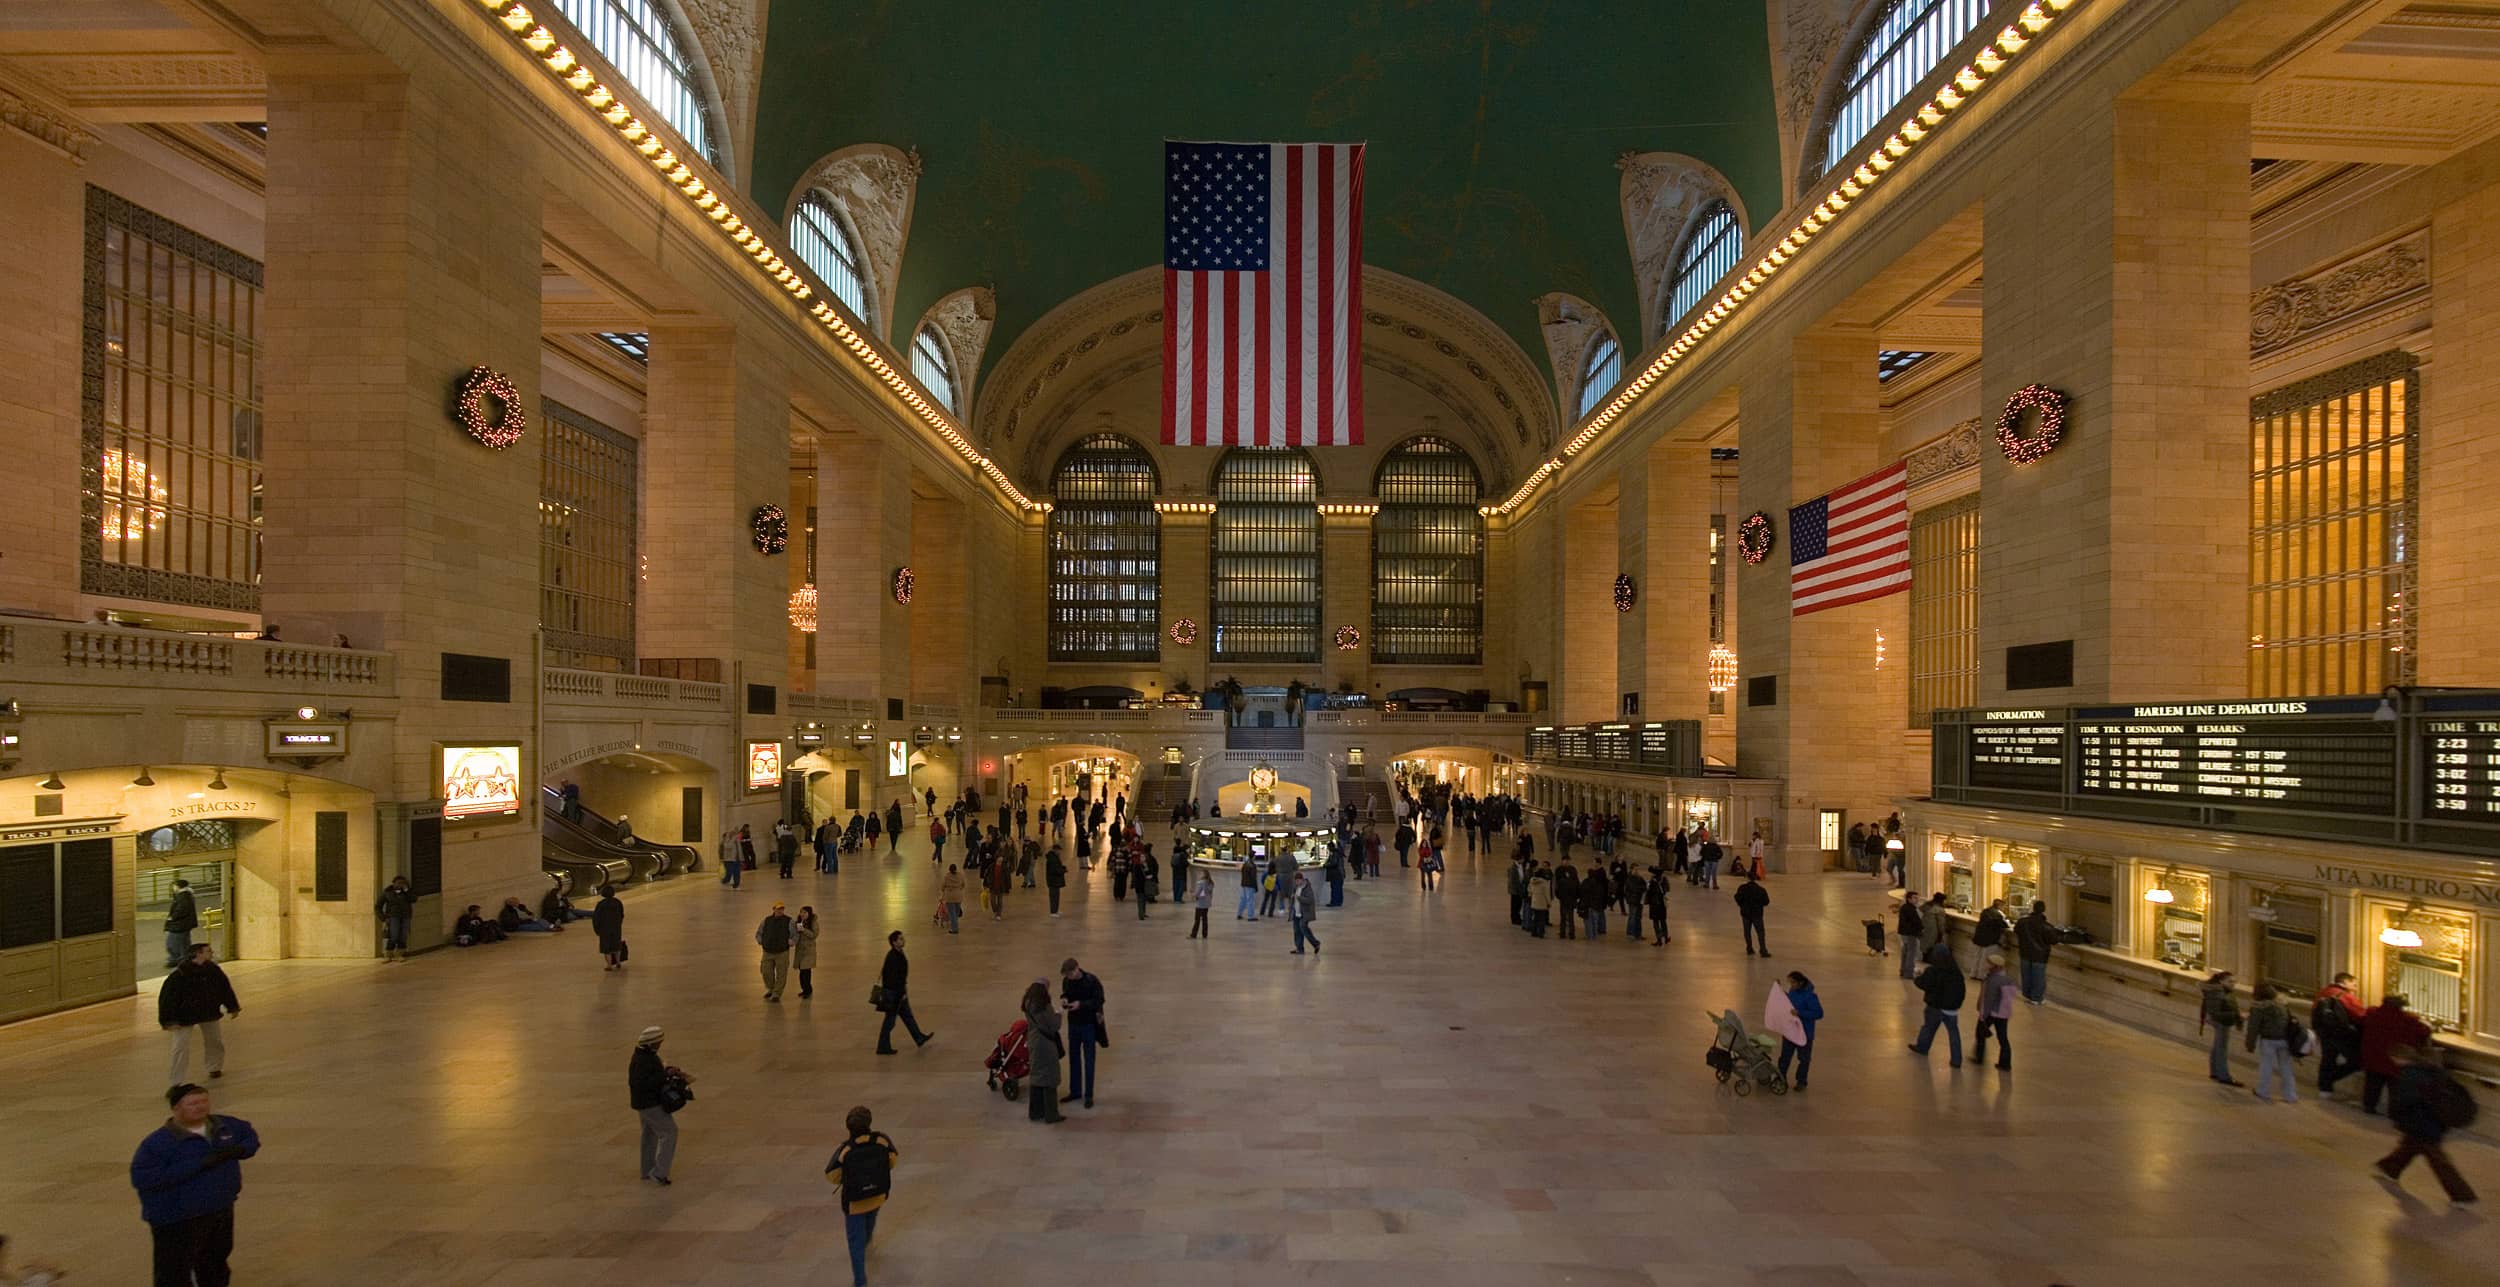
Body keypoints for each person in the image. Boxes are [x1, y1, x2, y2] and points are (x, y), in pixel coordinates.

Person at [130, 1082, 259, 1287]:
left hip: (219, 1211)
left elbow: (250, 1136)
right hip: (178, 1219)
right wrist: (198, 1164)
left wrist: (240, 1150)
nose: (200, 1107)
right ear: (176, 1109)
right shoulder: (158, 1143)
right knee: (174, 1273)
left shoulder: (224, 1126)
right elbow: (144, 1178)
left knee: (215, 1265)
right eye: (192, 1104)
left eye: (204, 1101)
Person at [2376, 1045, 2479, 1204]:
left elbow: (2404, 1100)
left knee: (2437, 1160)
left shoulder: (2409, 1074)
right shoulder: (2432, 1070)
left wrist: (2397, 1116)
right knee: (2410, 1146)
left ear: (2399, 1058)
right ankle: (2390, 1168)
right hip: (2435, 1120)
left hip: (2421, 1122)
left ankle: (2462, 1195)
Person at [825, 1106, 900, 1286]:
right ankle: (868, 1239)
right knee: (871, 1217)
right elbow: (893, 1160)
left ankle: (860, 1280)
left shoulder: (846, 1149)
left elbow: (832, 1175)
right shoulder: (881, 1140)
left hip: (855, 1202)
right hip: (878, 1194)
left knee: (854, 1242)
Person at [161, 943, 241, 1085]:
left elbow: (224, 989)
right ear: (198, 954)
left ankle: (214, 1067)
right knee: (180, 1047)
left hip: (208, 1011)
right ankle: (176, 1080)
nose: (211, 953)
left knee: (214, 1040)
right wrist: (168, 1020)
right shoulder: (179, 975)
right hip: (184, 1015)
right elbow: (167, 999)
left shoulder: (213, 970)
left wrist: (232, 1006)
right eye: (208, 951)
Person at [2360, 994, 2432, 1114]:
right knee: (2394, 1087)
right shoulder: (2408, 1020)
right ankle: (2394, 1111)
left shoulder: (2373, 1014)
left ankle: (2369, 1106)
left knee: (2373, 1083)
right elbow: (2424, 1031)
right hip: (2394, 1059)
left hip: (2373, 1056)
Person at [628, 1026, 680, 1185]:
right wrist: (665, 1075)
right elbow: (645, 1083)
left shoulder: (642, 1056)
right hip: (650, 1104)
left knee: (649, 1135)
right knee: (670, 1132)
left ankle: (647, 1169)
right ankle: (659, 1173)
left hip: (641, 1103)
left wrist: (665, 1071)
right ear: (651, 1043)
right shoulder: (645, 1060)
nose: (660, 1045)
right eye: (658, 1042)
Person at [1908, 943, 1966, 1068]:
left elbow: (1923, 984)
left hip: (1935, 1006)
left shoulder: (1933, 970)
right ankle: (1956, 1059)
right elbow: (1962, 990)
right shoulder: (1956, 972)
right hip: (1951, 1009)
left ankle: (1922, 1047)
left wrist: (1917, 977)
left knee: (1928, 1027)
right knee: (1953, 1033)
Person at [874, 931, 933, 1054]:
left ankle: (919, 1038)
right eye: (900, 939)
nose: (903, 940)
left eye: (902, 938)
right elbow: (893, 978)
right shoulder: (893, 957)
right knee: (890, 1021)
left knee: (907, 1016)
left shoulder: (897, 954)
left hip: (898, 993)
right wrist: (901, 993)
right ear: (894, 942)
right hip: (894, 995)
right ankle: (882, 1046)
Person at [1060, 957, 1106, 1108]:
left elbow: (1099, 1000)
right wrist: (1065, 999)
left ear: (1076, 969)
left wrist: (1081, 1004)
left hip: (1088, 1025)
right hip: (1073, 1024)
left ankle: (1089, 1095)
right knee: (1074, 1058)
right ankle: (1075, 1091)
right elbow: (1065, 993)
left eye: (1070, 974)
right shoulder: (1067, 981)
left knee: (1089, 1060)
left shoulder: (1091, 981)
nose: (1069, 978)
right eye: (1067, 976)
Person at [1021, 980, 1068, 1124]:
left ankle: (1035, 1112)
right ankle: (1051, 1115)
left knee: (1036, 1076)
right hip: (1046, 1044)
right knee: (1050, 1078)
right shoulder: (1044, 1006)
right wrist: (1059, 1013)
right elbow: (1053, 1026)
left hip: (1034, 1041)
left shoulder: (1028, 1003)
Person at [2314, 972, 2366, 1095]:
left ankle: (2324, 1089)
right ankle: (2329, 1079)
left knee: (2328, 1059)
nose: (2356, 987)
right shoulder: (2346, 997)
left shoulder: (2323, 992)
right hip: (2341, 1034)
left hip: (2325, 1032)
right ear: (2344, 982)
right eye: (2354, 984)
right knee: (2358, 1061)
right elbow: (2360, 1015)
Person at [2246, 983, 2298, 1103]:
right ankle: (2290, 1095)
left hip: (2268, 1040)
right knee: (2286, 1068)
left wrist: (2250, 1044)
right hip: (2285, 1039)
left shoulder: (2258, 1007)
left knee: (2266, 1066)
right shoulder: (2282, 1004)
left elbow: (2253, 1027)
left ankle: (2263, 1091)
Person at [1776, 971, 1821, 1090]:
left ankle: (1801, 1081)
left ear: (1800, 983)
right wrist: (1779, 990)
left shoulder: (1810, 996)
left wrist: (1800, 1013)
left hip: (1805, 1034)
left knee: (1804, 1059)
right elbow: (1789, 1002)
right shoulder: (1793, 991)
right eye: (1789, 982)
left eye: (1793, 982)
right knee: (1785, 1056)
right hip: (1790, 1031)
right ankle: (1781, 1077)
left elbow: (1818, 1013)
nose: (1791, 985)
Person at [1972, 953, 2016, 1070]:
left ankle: (1979, 1057)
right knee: (2003, 1038)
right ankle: (2005, 1063)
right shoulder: (2009, 979)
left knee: (1980, 1033)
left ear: (1995, 966)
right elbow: (2011, 997)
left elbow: (1989, 999)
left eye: (1989, 963)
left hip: (1992, 1012)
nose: (1987, 965)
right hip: (2004, 1014)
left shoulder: (1993, 980)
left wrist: (1983, 1016)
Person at [2199, 971, 2243, 1086]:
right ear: (2221, 981)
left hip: (2222, 1020)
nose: (2233, 984)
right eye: (2230, 981)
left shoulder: (2221, 990)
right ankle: (2224, 1076)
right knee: (2221, 1048)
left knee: (2217, 1046)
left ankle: (2215, 1071)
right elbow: (2216, 1013)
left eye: (2234, 981)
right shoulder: (2216, 992)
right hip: (2221, 1022)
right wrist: (2237, 1016)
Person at [2014, 900, 2055, 1003]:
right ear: (2044, 910)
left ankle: (2027, 994)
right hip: (2040, 955)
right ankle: (2036, 997)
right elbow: (2053, 940)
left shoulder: (2022, 922)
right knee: (2038, 977)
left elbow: (2016, 931)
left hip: (2025, 952)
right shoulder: (2046, 926)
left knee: (2026, 975)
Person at [756, 903, 794, 1002]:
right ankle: (771, 988)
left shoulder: (789, 921)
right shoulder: (766, 920)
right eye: (778, 909)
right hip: (768, 951)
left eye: (782, 909)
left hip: (782, 952)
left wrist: (792, 941)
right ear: (773, 909)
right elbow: (759, 932)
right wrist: (761, 941)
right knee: (766, 972)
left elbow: (794, 934)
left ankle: (777, 993)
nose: (780, 911)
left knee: (781, 973)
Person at [374, 875, 414, 963]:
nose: (400, 885)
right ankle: (388, 954)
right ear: (394, 883)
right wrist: (383, 918)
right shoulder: (387, 893)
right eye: (398, 883)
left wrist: (407, 890)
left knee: (403, 935)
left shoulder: (407, 892)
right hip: (393, 917)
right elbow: (378, 906)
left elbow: (413, 899)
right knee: (394, 935)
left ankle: (400, 953)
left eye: (402, 883)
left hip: (405, 916)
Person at [164, 878, 199, 970]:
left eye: (174, 886)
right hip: (184, 924)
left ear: (178, 886)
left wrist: (173, 917)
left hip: (179, 925)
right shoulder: (186, 895)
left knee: (174, 943)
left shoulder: (183, 896)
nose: (173, 888)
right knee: (183, 943)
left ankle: (178, 960)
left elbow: (182, 909)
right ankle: (182, 959)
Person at [1734, 871, 1770, 957]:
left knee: (1747, 931)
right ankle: (1763, 950)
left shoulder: (1742, 888)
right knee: (1760, 932)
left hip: (1745, 913)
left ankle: (1749, 948)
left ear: (1747, 878)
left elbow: (1737, 897)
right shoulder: (1761, 890)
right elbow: (1766, 901)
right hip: (1757, 913)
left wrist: (1741, 905)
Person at [591, 884, 626, 971]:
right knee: (616, 945)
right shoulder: (618, 902)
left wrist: (597, 929)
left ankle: (609, 964)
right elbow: (621, 914)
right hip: (616, 927)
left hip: (604, 928)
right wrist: (619, 923)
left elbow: (596, 918)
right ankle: (618, 962)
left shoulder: (601, 904)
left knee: (606, 947)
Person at [1971, 898, 2009, 976]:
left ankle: (1973, 973)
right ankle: (1981, 975)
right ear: (1999, 906)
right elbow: (2004, 925)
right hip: (1989, 939)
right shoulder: (1998, 914)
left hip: (1979, 937)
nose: (2004, 908)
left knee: (1977, 956)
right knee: (1986, 958)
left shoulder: (1985, 911)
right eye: (2003, 906)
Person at [1288, 870, 1321, 955]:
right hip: (1296, 912)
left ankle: (1315, 943)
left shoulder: (1307, 888)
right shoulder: (1295, 887)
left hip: (1304, 913)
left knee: (1303, 928)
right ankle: (1299, 948)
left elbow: (1310, 900)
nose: (1297, 882)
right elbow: (1293, 898)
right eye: (1295, 881)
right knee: (1297, 930)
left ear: (1302, 880)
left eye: (1298, 881)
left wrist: (1299, 898)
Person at [1894, 895, 1925, 979]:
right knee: (1911, 953)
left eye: (1917, 897)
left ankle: (1903, 970)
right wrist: (1921, 929)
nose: (1917, 899)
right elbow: (1916, 922)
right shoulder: (1910, 909)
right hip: (1911, 933)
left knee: (1905, 951)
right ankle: (1908, 973)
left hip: (1904, 933)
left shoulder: (1905, 907)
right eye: (1914, 898)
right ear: (1909, 899)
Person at [792, 906, 819, 1000]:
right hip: (800, 951)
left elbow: (814, 935)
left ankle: (807, 990)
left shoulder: (813, 922)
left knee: (806, 972)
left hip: (808, 951)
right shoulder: (798, 922)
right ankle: (805, 989)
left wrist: (803, 930)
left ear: (809, 914)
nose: (802, 914)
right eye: (801, 912)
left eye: (805, 912)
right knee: (801, 972)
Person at [1645, 865, 1670, 945]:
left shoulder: (1653, 880)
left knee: (1656, 922)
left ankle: (1659, 939)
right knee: (1663, 921)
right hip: (1662, 903)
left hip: (1654, 903)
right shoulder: (1664, 879)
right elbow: (1667, 889)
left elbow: (1649, 891)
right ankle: (1666, 937)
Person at [938, 864, 965, 934]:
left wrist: (943, 892)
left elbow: (943, 886)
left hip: (949, 897)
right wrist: (959, 889)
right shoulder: (960, 876)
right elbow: (963, 884)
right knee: (956, 913)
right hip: (958, 896)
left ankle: (954, 929)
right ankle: (955, 925)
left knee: (952, 913)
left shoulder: (947, 876)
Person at [1189, 869, 1214, 939]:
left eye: (1200, 874)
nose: (1199, 875)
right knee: (1205, 919)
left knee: (1197, 920)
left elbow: (1197, 893)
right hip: (1206, 904)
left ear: (1203, 875)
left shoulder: (1201, 883)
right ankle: (1204, 934)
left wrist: (1192, 893)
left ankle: (1193, 934)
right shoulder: (1210, 883)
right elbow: (1209, 894)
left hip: (1200, 904)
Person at [1237, 853, 1260, 921]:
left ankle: (1239, 914)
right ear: (1253, 857)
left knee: (1243, 900)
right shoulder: (1252, 866)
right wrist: (1256, 887)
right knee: (1250, 901)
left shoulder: (1245, 864)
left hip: (1244, 884)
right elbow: (1253, 877)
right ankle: (1250, 916)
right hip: (1250, 885)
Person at [1045, 846, 1066, 917]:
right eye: (1059, 851)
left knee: (1056, 896)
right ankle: (1053, 912)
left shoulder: (1054, 857)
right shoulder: (1052, 859)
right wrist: (1063, 870)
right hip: (1053, 880)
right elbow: (1055, 869)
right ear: (1056, 850)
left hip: (1055, 880)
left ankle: (1056, 910)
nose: (1060, 852)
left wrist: (1062, 868)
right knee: (1054, 896)